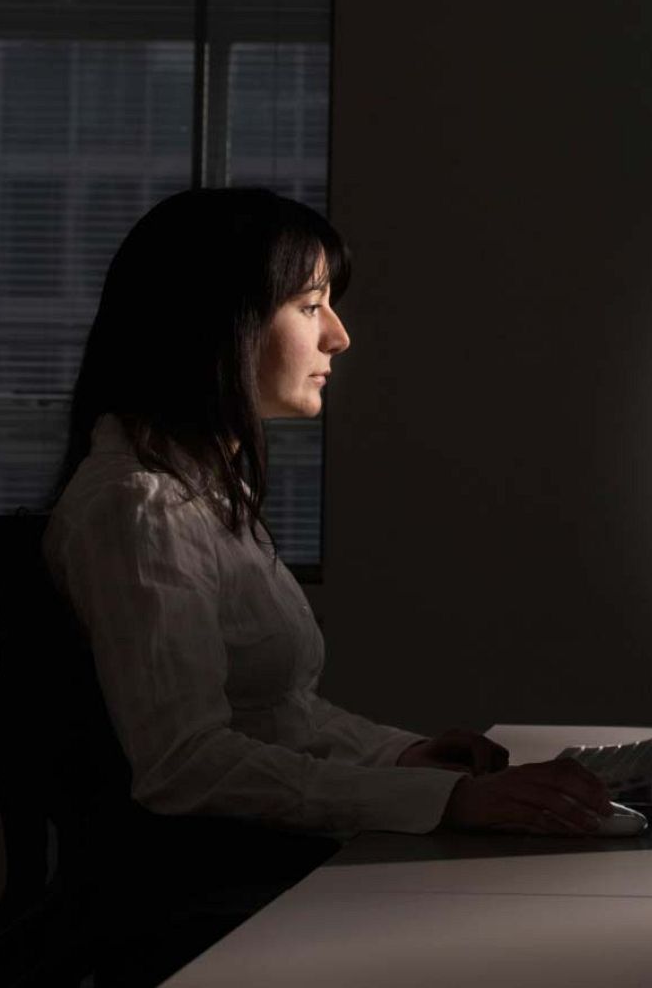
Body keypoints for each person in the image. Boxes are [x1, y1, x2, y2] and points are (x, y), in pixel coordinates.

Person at [45, 187, 612, 840]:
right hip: (228, 873)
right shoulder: (139, 508)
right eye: (310, 306)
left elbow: (276, 716)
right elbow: (185, 763)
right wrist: (441, 800)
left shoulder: (203, 495)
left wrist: (400, 755)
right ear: (220, 322)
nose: (338, 336)